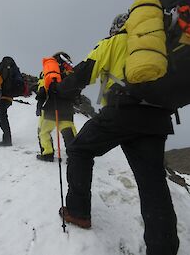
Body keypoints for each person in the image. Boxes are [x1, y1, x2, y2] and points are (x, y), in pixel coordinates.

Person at [52, 13, 179, 255]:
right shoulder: (158, 47)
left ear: (116, 28)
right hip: (156, 117)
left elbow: (83, 73)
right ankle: (163, 248)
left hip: (122, 111)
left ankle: (78, 212)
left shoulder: (114, 42)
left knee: (79, 149)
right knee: (152, 183)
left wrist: (59, 89)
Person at [36, 52, 78, 162]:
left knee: (44, 132)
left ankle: (47, 154)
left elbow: (42, 88)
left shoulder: (49, 72)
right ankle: (74, 156)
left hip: (51, 106)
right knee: (68, 131)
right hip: (67, 108)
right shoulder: (70, 73)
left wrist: (39, 104)